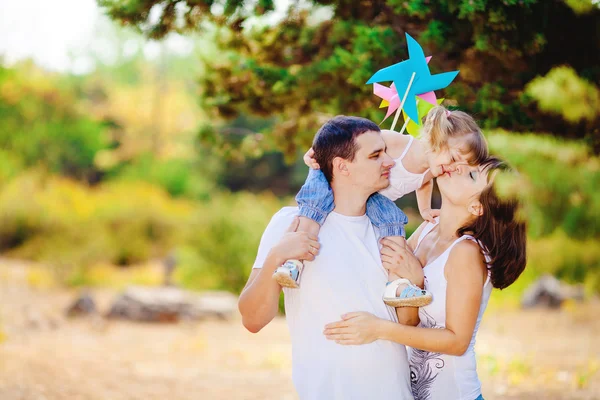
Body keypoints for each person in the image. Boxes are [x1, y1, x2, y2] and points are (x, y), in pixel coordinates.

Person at [238, 116, 415, 399]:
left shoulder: (390, 233)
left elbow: (408, 325)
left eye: (386, 152)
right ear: (342, 166)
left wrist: (412, 278)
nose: (389, 162)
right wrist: (276, 257)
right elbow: (252, 320)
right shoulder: (290, 224)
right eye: (375, 155)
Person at [323, 156, 527, 400]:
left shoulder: (466, 253)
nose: (459, 166)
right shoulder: (428, 229)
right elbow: (402, 302)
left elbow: (457, 341)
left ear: (477, 207)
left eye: (472, 175)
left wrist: (378, 329)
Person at [274, 106, 488, 309]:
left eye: (461, 165)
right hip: (334, 175)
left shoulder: (433, 170)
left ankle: (396, 284)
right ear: (435, 141)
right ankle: (293, 262)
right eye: (452, 158)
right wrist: (320, 150)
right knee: (315, 206)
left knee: (394, 221)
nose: (451, 168)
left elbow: (423, 183)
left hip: (373, 199)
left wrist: (424, 210)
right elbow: (358, 144)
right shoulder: (398, 143)